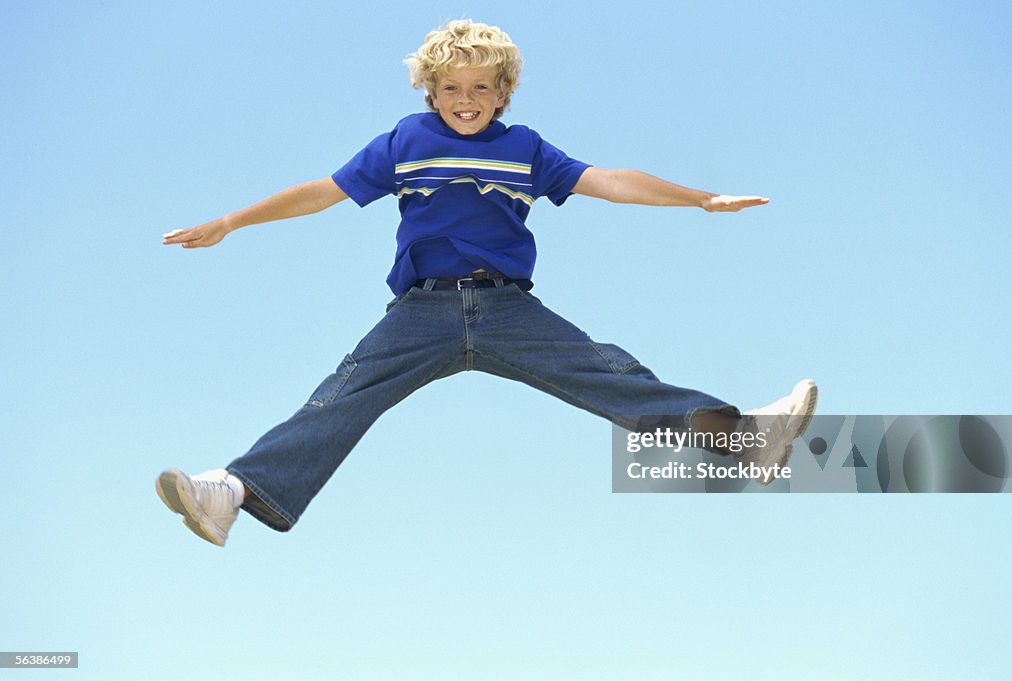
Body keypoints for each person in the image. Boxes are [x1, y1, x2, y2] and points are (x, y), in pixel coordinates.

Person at [156, 20, 817, 547]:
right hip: (422, 311)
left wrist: (701, 199)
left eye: (479, 89)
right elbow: (322, 193)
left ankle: (747, 437)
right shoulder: (403, 142)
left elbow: (608, 180)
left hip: (506, 308)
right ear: (430, 93)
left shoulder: (525, 148)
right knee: (341, 396)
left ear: (503, 92)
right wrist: (233, 220)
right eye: (451, 89)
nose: (465, 101)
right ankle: (233, 492)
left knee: (612, 373)